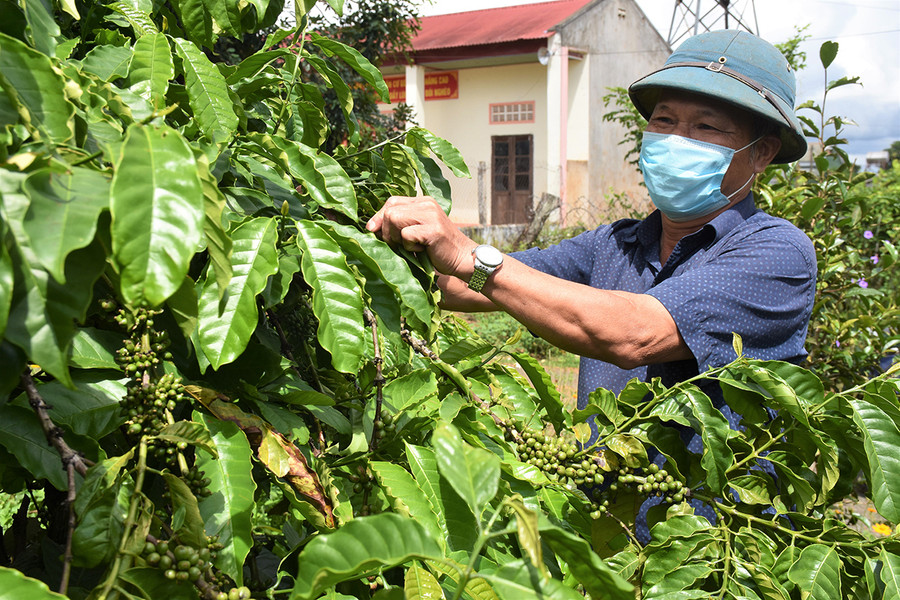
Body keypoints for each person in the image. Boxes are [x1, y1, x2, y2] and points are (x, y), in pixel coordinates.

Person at [367, 29, 816, 416]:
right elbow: (471, 284)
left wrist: (468, 254)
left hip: (711, 514)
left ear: (762, 152)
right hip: (601, 509)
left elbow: (634, 335)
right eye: (664, 120)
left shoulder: (776, 253)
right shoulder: (615, 244)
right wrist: (369, 252)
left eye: (706, 128)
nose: (676, 139)